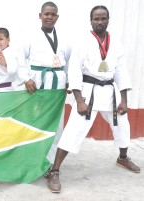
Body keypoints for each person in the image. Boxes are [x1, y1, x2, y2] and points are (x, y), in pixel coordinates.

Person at [47, 5, 141, 193]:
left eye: (103, 18)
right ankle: (54, 170)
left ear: (107, 20)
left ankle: (122, 158)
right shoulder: (83, 41)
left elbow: (121, 70)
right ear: (91, 21)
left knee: (122, 124)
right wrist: (79, 100)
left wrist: (124, 99)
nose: (99, 21)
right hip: (88, 92)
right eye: (96, 19)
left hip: (110, 91)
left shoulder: (115, 43)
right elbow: (74, 70)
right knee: (74, 129)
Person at [17, 1, 71, 176]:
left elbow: (69, 62)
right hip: (37, 85)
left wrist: (69, 80)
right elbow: (19, 58)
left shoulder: (64, 39)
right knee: (35, 122)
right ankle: (32, 160)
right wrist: (26, 79)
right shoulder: (30, 36)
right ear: (40, 15)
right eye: (46, 14)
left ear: (57, 17)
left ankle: (50, 164)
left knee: (56, 124)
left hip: (57, 87)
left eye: (52, 14)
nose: (49, 17)